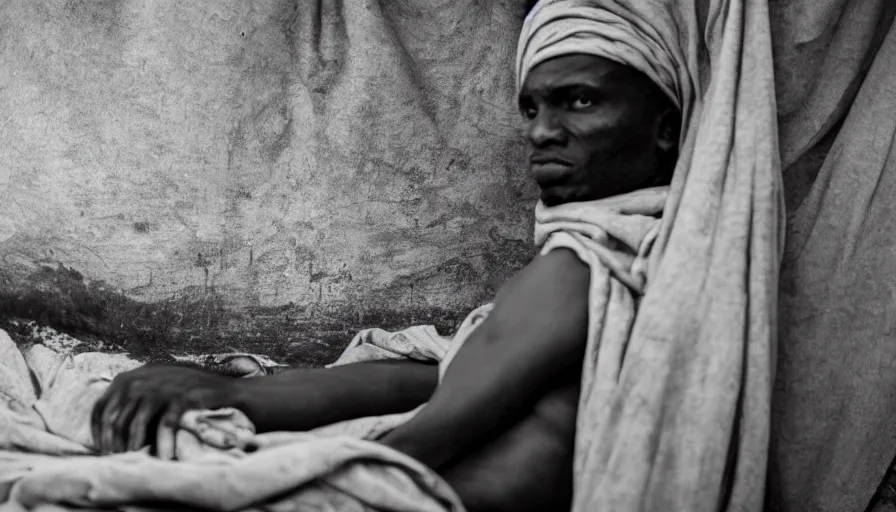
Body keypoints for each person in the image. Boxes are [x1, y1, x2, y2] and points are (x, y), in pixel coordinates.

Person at [91, 52, 679, 512]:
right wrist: (243, 393)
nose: (542, 132)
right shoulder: (648, 257)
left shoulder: (577, 270)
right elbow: (444, 381)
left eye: (579, 101)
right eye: (530, 108)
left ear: (665, 131)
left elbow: (412, 454)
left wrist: (250, 465)